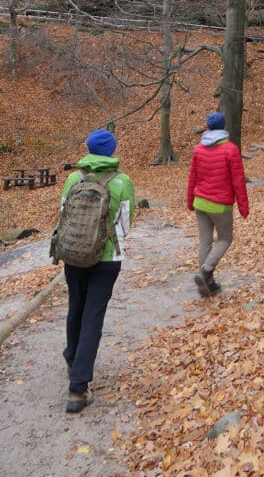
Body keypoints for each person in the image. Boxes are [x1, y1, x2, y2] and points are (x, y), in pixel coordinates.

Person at [58, 128, 135, 414]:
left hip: (73, 256)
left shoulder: (73, 178)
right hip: (106, 259)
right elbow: (125, 223)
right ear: (112, 151)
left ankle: (73, 357)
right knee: (93, 315)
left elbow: (63, 213)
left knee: (75, 307)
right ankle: (78, 388)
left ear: (88, 149)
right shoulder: (121, 181)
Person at [186, 111, 249, 297]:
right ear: (223, 127)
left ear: (208, 127)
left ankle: (207, 284)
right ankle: (206, 271)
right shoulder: (230, 149)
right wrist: (244, 207)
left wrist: (190, 201)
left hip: (200, 203)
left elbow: (192, 178)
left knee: (205, 241)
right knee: (225, 239)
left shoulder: (199, 149)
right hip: (220, 205)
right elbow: (238, 180)